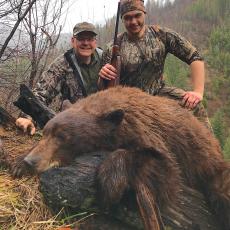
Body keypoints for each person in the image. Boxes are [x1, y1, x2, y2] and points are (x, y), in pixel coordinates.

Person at [98, 0, 211, 129]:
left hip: (159, 94)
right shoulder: (112, 48)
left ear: (144, 13)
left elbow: (195, 57)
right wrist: (102, 76)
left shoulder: (161, 35)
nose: (133, 21)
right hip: (127, 101)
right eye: (128, 18)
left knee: (194, 105)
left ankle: (210, 148)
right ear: (122, 20)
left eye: (137, 16)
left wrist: (198, 92)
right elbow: (103, 89)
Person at [16, 22, 102, 135]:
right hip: (75, 126)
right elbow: (41, 92)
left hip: (104, 121)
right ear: (73, 41)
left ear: (95, 42)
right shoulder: (62, 64)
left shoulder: (105, 58)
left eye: (90, 39)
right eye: (81, 38)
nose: (86, 43)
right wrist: (27, 117)